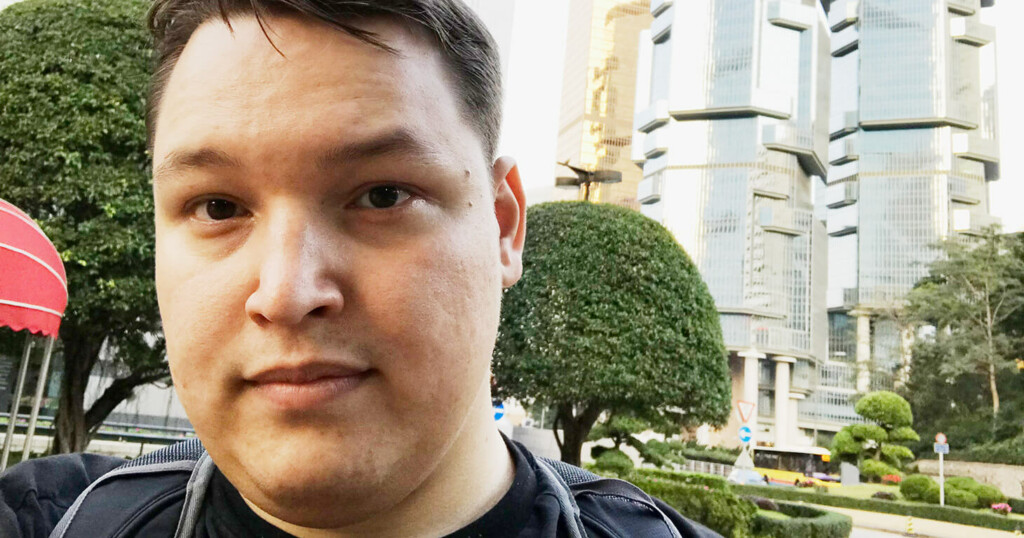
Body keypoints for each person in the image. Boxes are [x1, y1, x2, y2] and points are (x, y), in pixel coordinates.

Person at [0, 1, 720, 536]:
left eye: (382, 196)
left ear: (503, 228)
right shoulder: (51, 519)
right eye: (218, 206)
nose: (286, 292)